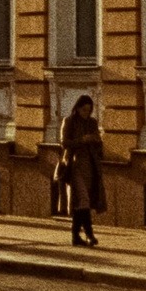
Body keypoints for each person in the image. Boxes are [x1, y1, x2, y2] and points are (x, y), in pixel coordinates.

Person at [56, 95, 105, 247]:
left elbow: (98, 143)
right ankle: (89, 234)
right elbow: (64, 143)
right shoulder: (69, 121)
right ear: (77, 108)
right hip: (75, 165)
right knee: (83, 199)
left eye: (89, 110)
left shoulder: (92, 122)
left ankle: (75, 236)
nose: (86, 113)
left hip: (90, 166)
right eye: (84, 109)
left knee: (82, 203)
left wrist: (96, 140)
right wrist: (82, 140)